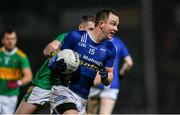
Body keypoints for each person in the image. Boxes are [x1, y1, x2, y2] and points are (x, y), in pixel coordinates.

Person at [15, 15, 95, 114]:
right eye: (90, 29)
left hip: (65, 90)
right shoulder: (67, 37)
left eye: (94, 30)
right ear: (81, 27)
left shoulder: (91, 49)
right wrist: (57, 56)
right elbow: (47, 49)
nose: (91, 33)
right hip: (44, 85)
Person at [49, 9, 119, 114]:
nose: (116, 29)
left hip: (83, 99)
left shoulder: (110, 49)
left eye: (117, 25)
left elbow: (109, 75)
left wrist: (104, 77)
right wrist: (57, 64)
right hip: (63, 92)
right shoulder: (75, 37)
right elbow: (52, 61)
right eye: (113, 24)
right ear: (101, 24)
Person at [87, 36, 133, 114]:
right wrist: (120, 75)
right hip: (111, 84)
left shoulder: (96, 40)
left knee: (90, 114)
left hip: (95, 82)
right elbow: (129, 63)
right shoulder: (118, 42)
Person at [0, 28, 33, 114]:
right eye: (7, 39)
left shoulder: (21, 57)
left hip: (10, 96)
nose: (10, 41)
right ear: (3, 40)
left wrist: (17, 83)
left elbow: (28, 76)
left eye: (12, 39)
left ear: (16, 40)